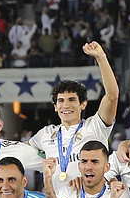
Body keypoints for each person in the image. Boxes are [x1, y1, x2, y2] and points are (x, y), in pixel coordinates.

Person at [29, 42, 118, 186]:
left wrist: (101, 58)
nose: (66, 105)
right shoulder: (46, 134)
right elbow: (18, 149)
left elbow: (112, 96)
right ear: (55, 107)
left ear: (83, 104)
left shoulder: (95, 126)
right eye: (61, 101)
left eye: (71, 100)